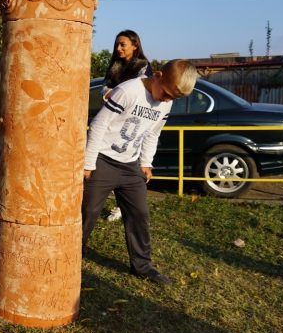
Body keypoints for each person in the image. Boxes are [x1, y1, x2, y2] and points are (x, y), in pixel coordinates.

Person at [81, 60, 198, 286]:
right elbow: (98, 126)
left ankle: (142, 266)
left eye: (173, 99)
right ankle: (73, 256)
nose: (166, 100)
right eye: (165, 93)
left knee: (139, 215)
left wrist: (146, 162)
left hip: (130, 165)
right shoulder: (128, 91)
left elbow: (153, 133)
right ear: (158, 76)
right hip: (103, 160)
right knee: (88, 212)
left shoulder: (166, 101)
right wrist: (88, 163)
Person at [102, 30, 153, 222]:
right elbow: (105, 87)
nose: (118, 49)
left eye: (123, 44)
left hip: (134, 122)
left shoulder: (143, 67)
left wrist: (115, 93)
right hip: (113, 119)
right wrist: (110, 93)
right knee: (111, 162)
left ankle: (123, 206)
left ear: (135, 45)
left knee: (129, 165)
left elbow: (142, 90)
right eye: (117, 45)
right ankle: (118, 202)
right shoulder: (114, 65)